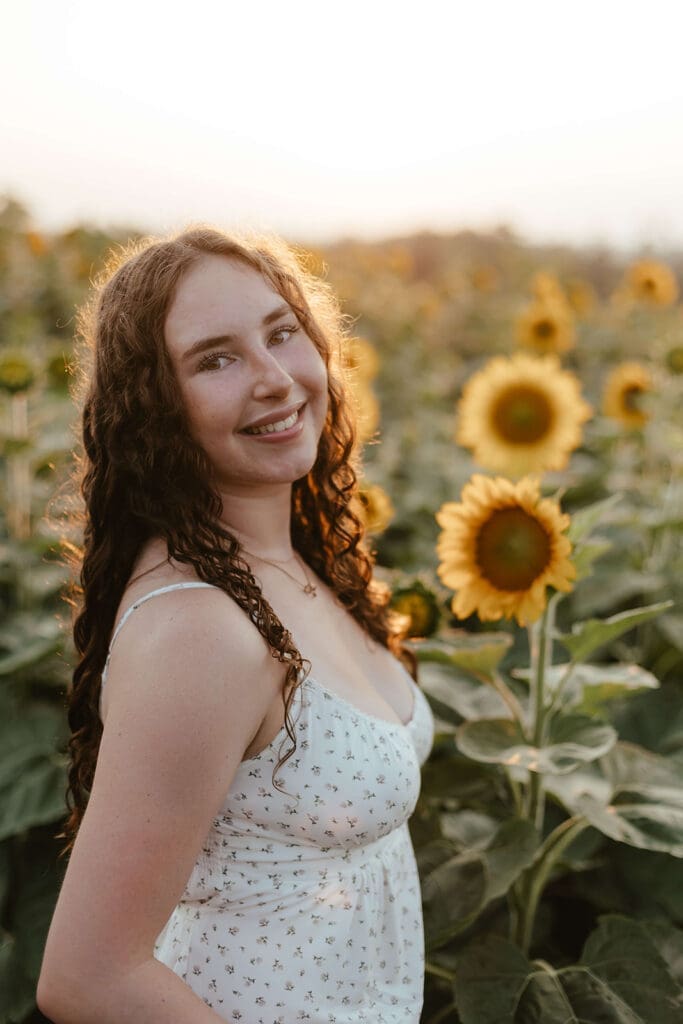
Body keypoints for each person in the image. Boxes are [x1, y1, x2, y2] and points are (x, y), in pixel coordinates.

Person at [38, 227, 435, 1024]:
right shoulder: (200, 628)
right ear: (154, 405)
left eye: (282, 333)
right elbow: (87, 977)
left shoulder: (293, 560)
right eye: (215, 358)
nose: (275, 379)